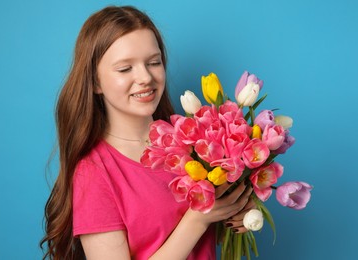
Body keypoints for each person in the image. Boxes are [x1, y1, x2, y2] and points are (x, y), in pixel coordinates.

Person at [40, 5, 254, 259]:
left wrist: (239, 212)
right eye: (124, 68)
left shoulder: (196, 143)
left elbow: (209, 228)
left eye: (154, 62)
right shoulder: (94, 173)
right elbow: (195, 222)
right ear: (95, 82)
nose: (145, 77)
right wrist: (197, 220)